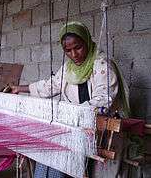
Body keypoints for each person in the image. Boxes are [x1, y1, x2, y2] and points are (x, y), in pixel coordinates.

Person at [11, 21, 130, 178]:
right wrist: (20, 88)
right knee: (52, 156)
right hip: (78, 129)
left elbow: (103, 99)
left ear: (87, 41)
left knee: (98, 173)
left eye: (78, 47)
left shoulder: (102, 64)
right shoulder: (68, 69)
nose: (74, 55)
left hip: (103, 131)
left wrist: (71, 115)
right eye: (68, 50)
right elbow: (50, 86)